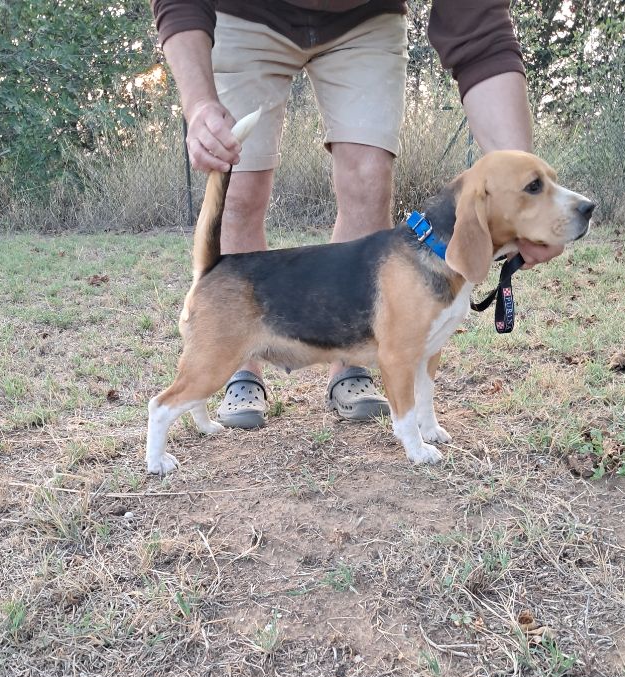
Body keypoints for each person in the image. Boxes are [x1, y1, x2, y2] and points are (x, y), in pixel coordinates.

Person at [150, 0, 563, 428]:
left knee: (368, 176)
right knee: (240, 189)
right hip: (244, 12)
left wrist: (523, 192)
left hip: (366, 16)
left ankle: (351, 363)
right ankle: (237, 362)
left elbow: (479, 29)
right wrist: (198, 104)